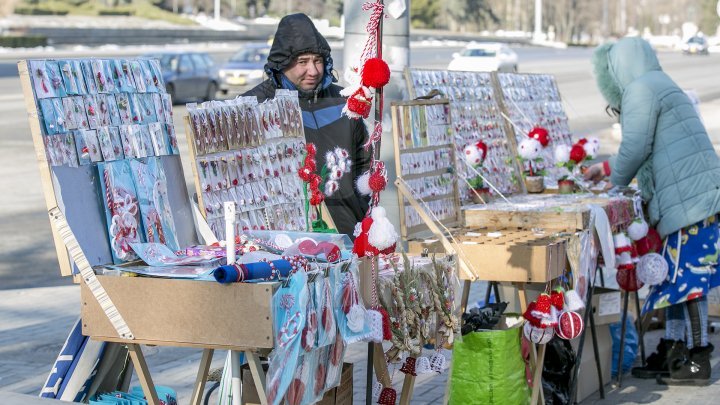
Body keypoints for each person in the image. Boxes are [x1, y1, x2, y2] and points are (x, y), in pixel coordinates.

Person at [584, 36, 720, 385]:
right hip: (693, 199)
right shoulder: (659, 83)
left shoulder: (641, 90)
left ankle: (697, 359)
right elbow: (650, 147)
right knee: (673, 280)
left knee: (689, 282)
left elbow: (635, 145)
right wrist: (608, 168)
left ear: (617, 70)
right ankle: (674, 352)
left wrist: (613, 183)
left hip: (691, 203)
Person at [243, 13, 371, 237]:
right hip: (284, 238)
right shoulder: (255, 106)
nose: (313, 71)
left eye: (318, 61)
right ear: (282, 65)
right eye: (302, 62)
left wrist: (365, 216)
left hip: (347, 233)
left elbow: (363, 161)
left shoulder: (343, 101)